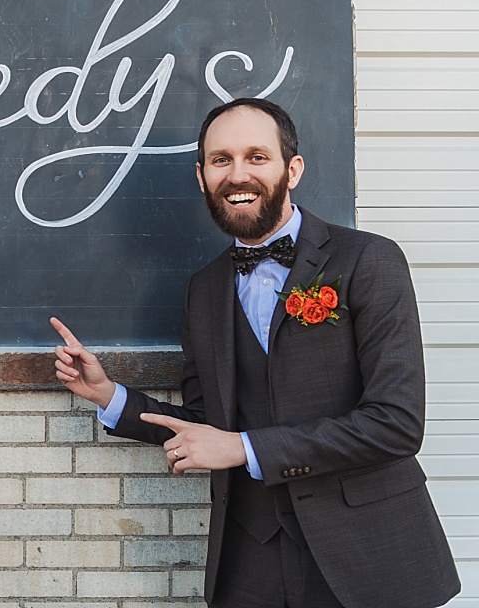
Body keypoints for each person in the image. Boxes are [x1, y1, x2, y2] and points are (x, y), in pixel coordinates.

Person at [52, 98, 459, 608]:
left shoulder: (369, 260)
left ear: (293, 169)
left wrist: (245, 449)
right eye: (221, 160)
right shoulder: (203, 290)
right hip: (250, 562)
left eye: (256, 157)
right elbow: (207, 422)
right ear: (202, 176)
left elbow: (396, 423)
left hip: (369, 553)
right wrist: (108, 394)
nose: (237, 174)